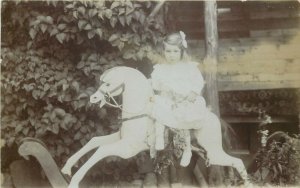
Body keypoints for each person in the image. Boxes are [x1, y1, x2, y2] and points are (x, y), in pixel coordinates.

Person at [150, 31, 208, 167]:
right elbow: (155, 84)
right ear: (163, 52)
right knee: (157, 109)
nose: (171, 55)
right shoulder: (160, 68)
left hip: (183, 100)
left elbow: (198, 82)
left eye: (175, 51)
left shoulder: (189, 67)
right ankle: (158, 140)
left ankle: (187, 149)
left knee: (182, 120)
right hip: (167, 99)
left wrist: (193, 92)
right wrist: (159, 87)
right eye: (168, 51)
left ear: (182, 52)